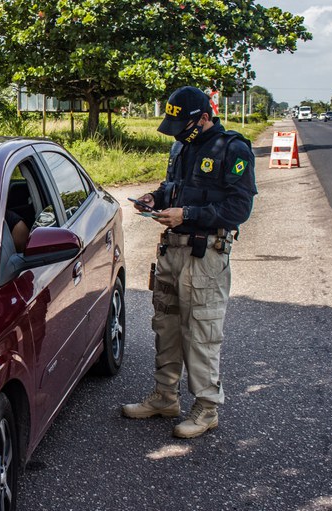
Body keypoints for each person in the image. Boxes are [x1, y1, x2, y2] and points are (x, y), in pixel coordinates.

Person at [122, 86, 257, 438]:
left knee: (201, 332)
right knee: (165, 325)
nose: (179, 131)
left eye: (184, 124)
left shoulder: (232, 148)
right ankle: (165, 396)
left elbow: (239, 209)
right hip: (171, 250)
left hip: (205, 253)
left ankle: (206, 408)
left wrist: (188, 214)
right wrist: (156, 197)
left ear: (204, 116)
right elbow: (174, 186)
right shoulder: (181, 146)